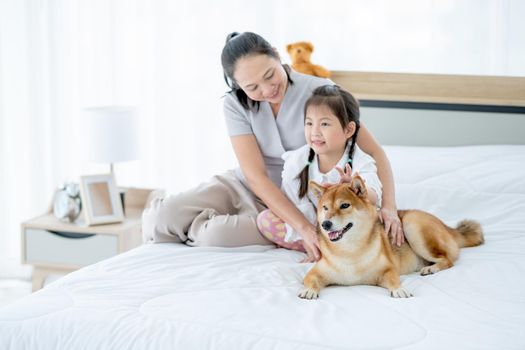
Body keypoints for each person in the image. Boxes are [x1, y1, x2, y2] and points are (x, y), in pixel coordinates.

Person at [141, 31, 403, 262]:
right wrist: (302, 229)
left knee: (216, 235)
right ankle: (198, 222)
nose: (267, 90)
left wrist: (388, 207)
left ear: (278, 56)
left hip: (298, 200)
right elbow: (254, 176)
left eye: (270, 75)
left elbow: (374, 151)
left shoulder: (322, 91)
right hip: (246, 185)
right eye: (252, 87)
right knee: (160, 218)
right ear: (238, 85)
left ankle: (203, 228)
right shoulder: (235, 103)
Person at [256, 85, 382, 251]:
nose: (314, 132)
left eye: (324, 124)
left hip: (349, 227)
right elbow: (292, 203)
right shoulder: (297, 161)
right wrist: (309, 234)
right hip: (311, 226)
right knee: (265, 219)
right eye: (309, 123)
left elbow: (374, 196)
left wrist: (353, 188)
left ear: (348, 129)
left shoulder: (360, 162)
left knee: (381, 224)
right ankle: (315, 247)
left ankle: (338, 251)